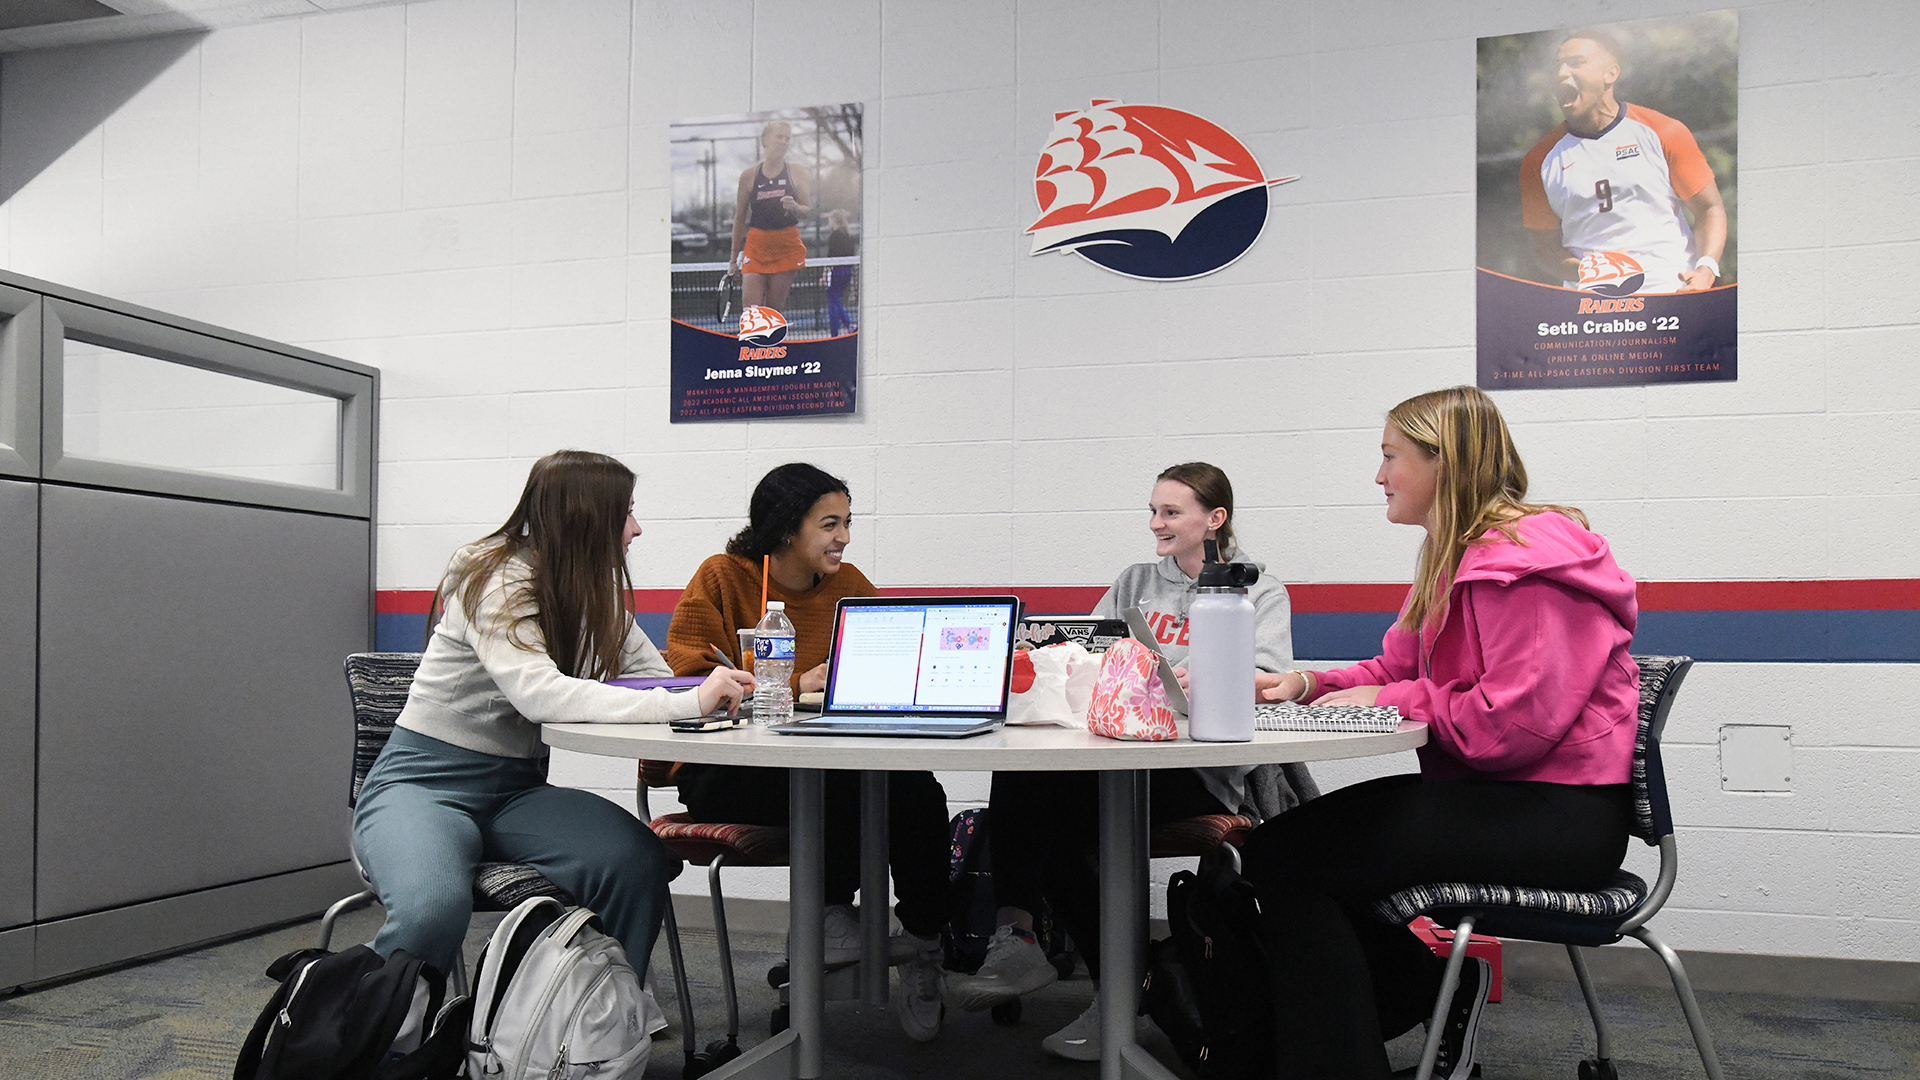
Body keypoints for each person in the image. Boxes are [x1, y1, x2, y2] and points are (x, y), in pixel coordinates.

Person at [1239, 386, 1641, 1079]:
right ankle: (1419, 999)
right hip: (1512, 799)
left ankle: (1366, 1038)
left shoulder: (1522, 566)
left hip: (1561, 816)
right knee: (1283, 849)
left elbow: (1509, 728)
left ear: (1442, 463)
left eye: (1391, 456)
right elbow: (1395, 666)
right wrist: (1305, 685)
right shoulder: (1455, 556)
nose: (1380, 475)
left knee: (1290, 857)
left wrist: (1392, 694)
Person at [352, 451, 755, 982]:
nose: (636, 528)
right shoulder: (493, 579)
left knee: (635, 862)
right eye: (626, 512)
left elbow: (650, 675)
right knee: (433, 908)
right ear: (586, 517)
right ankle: (381, 1041)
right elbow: (540, 696)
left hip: (514, 791)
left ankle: (599, 1020)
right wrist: (688, 700)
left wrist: (725, 694)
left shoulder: (590, 589)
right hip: (423, 784)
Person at [946, 463, 1295, 1060]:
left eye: (1171, 513)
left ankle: (1118, 992)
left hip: (1198, 769)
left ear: (1215, 519)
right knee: (1029, 776)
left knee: (1061, 822)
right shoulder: (1135, 580)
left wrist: (1205, 674)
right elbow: (1092, 646)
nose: (1156, 523)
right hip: (1126, 751)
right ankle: (1022, 938)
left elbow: (1266, 679)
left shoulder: (1257, 589)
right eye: (1153, 511)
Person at [663, 462, 953, 1042]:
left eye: (847, 522)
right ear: (786, 528)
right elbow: (686, 671)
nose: (843, 537)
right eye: (829, 524)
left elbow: (893, 661)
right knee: (839, 783)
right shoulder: (724, 576)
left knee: (917, 789)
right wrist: (796, 685)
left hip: (826, 759)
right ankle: (830, 921)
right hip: (728, 769)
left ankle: (923, 942)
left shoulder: (851, 586)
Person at [1521, 29, 1727, 294]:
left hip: (1671, 295)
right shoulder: (1538, 161)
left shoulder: (1664, 132)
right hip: (1590, 310)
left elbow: (1709, 209)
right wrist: (1592, 270)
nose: (1561, 73)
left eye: (1575, 63)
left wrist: (1706, 271)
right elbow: (1544, 248)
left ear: (1611, 74)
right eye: (1556, 65)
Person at [729, 119, 812, 315]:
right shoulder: (749, 175)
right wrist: (733, 260)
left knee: (773, 314)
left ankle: (772, 346)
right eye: (779, 137)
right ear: (766, 139)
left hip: (786, 245)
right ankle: (753, 345)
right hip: (757, 245)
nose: (783, 142)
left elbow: (807, 209)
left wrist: (795, 207)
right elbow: (739, 218)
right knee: (752, 314)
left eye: (787, 138)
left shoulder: (797, 171)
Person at [825, 208, 856, 337]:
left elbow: (831, 255)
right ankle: (849, 325)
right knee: (835, 299)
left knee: (833, 299)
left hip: (838, 271)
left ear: (834, 220)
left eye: (829, 220)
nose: (829, 223)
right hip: (847, 271)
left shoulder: (835, 236)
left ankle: (834, 333)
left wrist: (825, 272)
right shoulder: (849, 236)